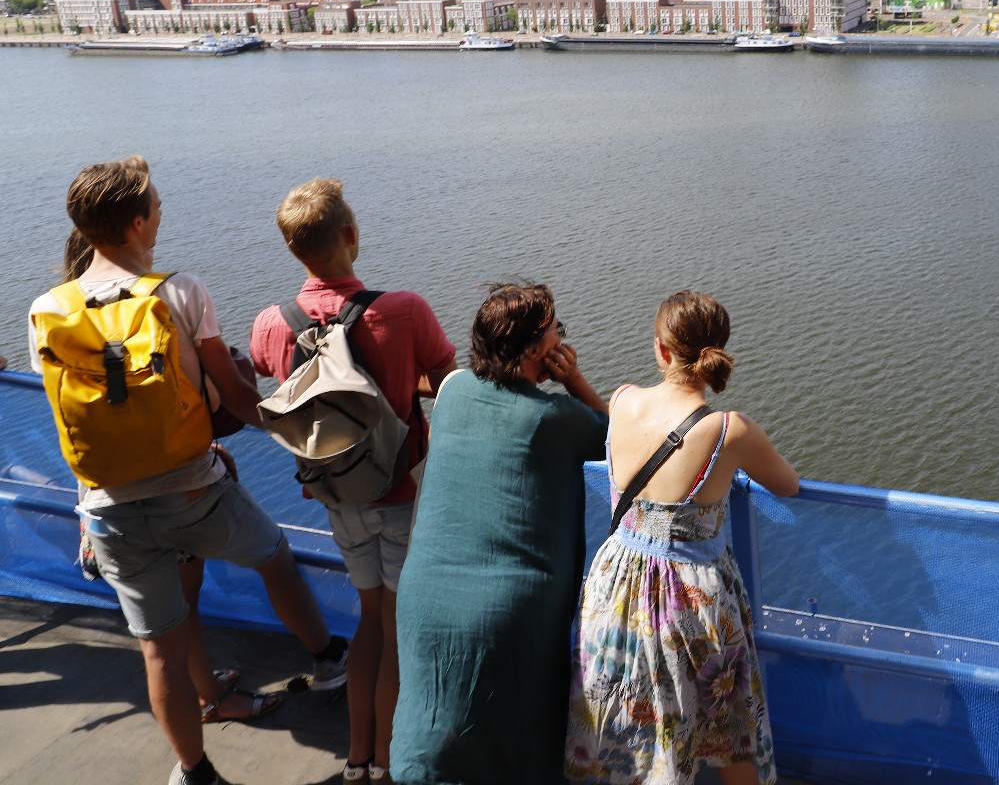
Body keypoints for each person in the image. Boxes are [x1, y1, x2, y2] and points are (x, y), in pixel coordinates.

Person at [27, 157, 345, 785]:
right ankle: (329, 658)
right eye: (157, 205)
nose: (162, 212)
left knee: (160, 649)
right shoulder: (180, 291)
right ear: (138, 222)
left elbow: (81, 411)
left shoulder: (47, 308)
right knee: (273, 555)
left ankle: (195, 772)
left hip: (108, 509)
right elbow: (233, 395)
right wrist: (299, 433)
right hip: (195, 491)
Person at [249, 178, 457, 783]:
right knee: (394, 627)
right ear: (351, 235)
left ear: (293, 249)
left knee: (369, 619)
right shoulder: (404, 310)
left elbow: (269, 373)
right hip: (400, 493)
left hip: (335, 496)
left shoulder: (271, 322)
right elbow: (449, 382)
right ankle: (386, 761)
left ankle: (357, 757)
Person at [566, 290, 800, 785]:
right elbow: (788, 484)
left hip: (616, 587)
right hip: (692, 599)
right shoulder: (729, 430)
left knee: (636, 724)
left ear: (662, 349)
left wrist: (575, 382)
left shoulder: (623, 401)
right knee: (732, 726)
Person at [391, 282, 609, 785]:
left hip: (425, 595)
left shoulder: (451, 391)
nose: (561, 338)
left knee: (431, 725)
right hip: (509, 610)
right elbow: (617, 436)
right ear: (535, 350)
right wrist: (573, 379)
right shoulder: (554, 418)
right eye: (556, 331)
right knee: (518, 737)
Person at [62, 226, 262, 727]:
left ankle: (202, 694)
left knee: (158, 630)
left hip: (104, 503)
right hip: (174, 490)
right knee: (181, 612)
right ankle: (209, 698)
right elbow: (205, 402)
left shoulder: (61, 320)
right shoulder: (156, 314)